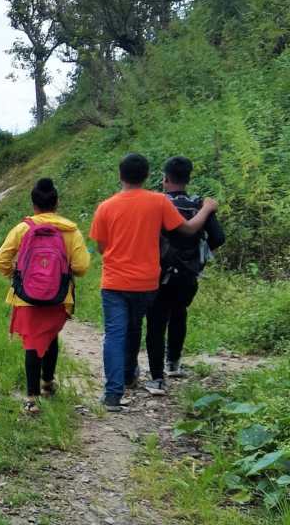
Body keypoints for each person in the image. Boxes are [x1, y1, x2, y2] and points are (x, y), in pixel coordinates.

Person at [89, 153, 218, 411]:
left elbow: (102, 247)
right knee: (136, 326)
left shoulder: (105, 207)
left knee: (116, 334)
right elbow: (189, 229)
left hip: (114, 280)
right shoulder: (158, 202)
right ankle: (135, 372)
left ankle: (116, 391)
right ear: (148, 176)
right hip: (147, 282)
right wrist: (206, 208)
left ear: (120, 175)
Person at [0, 178, 90, 414]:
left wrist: (16, 277)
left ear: (34, 203)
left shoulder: (22, 228)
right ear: (57, 202)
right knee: (50, 336)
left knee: (31, 342)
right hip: (59, 297)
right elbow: (82, 267)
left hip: (26, 297)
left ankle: (31, 398)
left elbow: (1, 259)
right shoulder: (70, 230)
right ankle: (47, 384)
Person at [143, 156, 225, 395]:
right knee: (179, 313)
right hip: (188, 273)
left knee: (156, 322)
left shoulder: (156, 203)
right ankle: (173, 363)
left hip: (157, 272)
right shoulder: (199, 204)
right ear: (188, 179)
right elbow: (218, 238)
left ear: (165, 179)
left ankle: (156, 378)